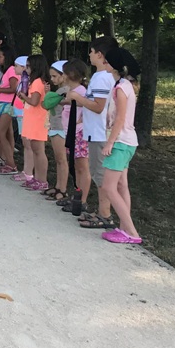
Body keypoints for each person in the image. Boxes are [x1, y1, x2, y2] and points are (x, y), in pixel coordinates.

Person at [65, 36, 119, 228]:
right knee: (98, 174)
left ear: (100, 54)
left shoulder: (102, 77)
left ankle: (105, 215)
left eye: (91, 51)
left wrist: (77, 97)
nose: (89, 55)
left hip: (99, 133)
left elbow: (98, 106)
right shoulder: (102, 76)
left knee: (101, 175)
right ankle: (102, 212)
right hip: (95, 131)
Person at [99, 46, 143, 244]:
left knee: (109, 187)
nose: (104, 63)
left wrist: (110, 143)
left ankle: (132, 233)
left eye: (107, 61)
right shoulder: (124, 85)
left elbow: (120, 119)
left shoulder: (121, 88)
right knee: (121, 185)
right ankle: (125, 228)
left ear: (115, 65)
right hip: (126, 141)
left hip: (120, 142)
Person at [56, 60, 91, 213]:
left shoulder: (81, 91)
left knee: (82, 167)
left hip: (79, 132)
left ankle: (82, 201)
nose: (62, 76)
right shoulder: (72, 90)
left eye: (64, 73)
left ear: (71, 74)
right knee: (75, 166)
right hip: (71, 132)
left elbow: (86, 105)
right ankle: (76, 196)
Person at [16, 55, 50, 191]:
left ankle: (42, 180)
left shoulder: (37, 82)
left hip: (37, 120)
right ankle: (37, 178)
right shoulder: (35, 81)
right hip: (32, 119)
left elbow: (34, 101)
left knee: (39, 150)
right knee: (35, 149)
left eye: (29, 66)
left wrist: (23, 96)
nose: (26, 69)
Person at [0, 47, 20, 174]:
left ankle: (11, 164)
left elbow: (14, 89)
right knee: (5, 133)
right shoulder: (7, 70)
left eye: (0, 57)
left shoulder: (12, 70)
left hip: (8, 105)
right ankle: (8, 162)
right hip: (3, 103)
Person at [43, 60, 70, 201]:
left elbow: (48, 104)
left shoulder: (67, 91)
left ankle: (63, 189)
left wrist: (48, 96)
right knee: (58, 159)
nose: (52, 79)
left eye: (54, 76)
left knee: (61, 159)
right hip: (54, 126)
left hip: (61, 128)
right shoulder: (59, 91)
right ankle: (58, 186)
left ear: (64, 75)